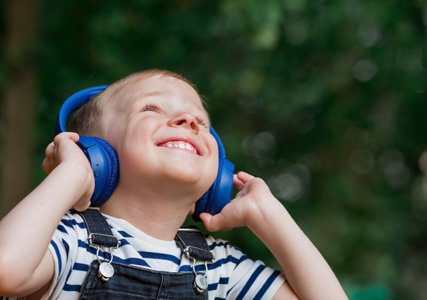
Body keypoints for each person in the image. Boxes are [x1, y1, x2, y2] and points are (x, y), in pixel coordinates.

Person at [0, 70, 348, 299]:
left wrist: (269, 215)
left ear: (218, 182)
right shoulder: (70, 241)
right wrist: (72, 175)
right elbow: (6, 269)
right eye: (151, 108)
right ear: (97, 155)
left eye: (201, 121)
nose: (188, 122)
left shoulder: (217, 267)